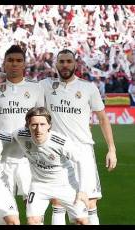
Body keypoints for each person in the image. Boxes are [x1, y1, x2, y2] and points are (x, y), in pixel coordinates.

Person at [39, 49, 117, 225]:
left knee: (89, 202)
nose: (65, 65)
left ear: (75, 64)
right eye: (61, 61)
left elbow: (103, 119)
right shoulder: (45, 86)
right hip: (56, 152)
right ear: (56, 64)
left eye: (68, 61)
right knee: (57, 202)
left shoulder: (88, 88)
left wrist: (111, 149)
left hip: (83, 150)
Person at [0, 45, 44, 221]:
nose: (14, 64)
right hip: (2, 159)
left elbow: (41, 120)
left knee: (33, 211)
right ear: (4, 63)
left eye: (19, 61)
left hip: (28, 158)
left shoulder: (36, 88)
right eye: (10, 60)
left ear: (25, 64)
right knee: (5, 211)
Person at [13, 107, 90, 225]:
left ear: (49, 125)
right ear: (28, 125)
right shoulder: (20, 135)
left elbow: (82, 161)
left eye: (42, 124)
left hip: (66, 185)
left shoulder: (60, 142)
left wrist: (83, 190)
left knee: (82, 221)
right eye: (34, 125)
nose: (38, 129)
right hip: (39, 185)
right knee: (32, 221)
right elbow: (2, 137)